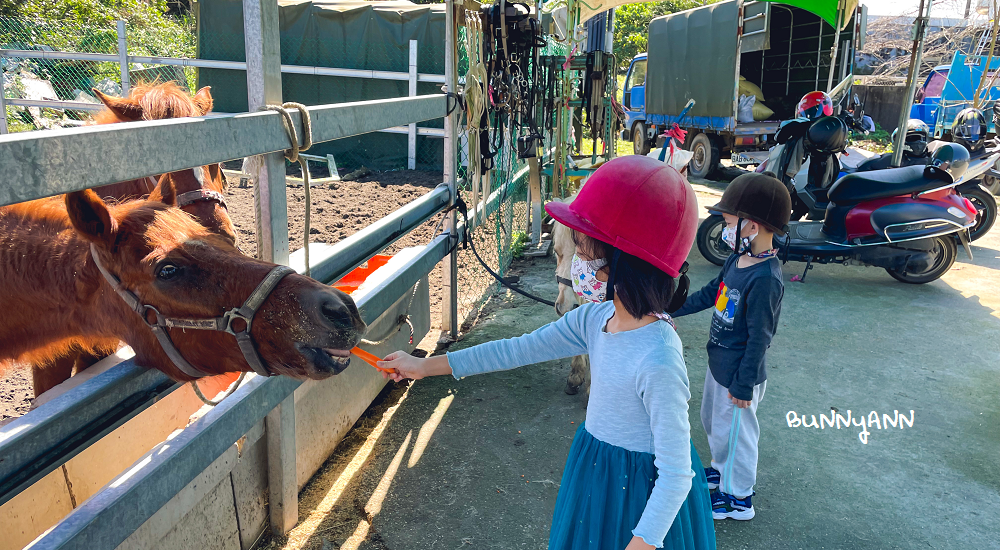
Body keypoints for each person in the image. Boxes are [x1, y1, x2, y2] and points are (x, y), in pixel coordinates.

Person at [379, 155, 717, 550]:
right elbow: (514, 351)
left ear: (623, 256)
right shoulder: (595, 318)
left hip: (644, 500)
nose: (577, 254)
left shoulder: (658, 358)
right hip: (596, 474)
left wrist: (641, 543)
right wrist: (422, 367)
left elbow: (676, 474)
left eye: (584, 243)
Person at [673, 172, 791, 521]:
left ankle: (738, 497)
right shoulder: (737, 260)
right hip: (719, 363)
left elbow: (760, 337)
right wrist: (669, 308)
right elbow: (713, 294)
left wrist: (743, 385)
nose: (723, 228)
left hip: (741, 375)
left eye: (727, 222)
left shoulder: (766, 277)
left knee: (738, 434)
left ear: (751, 226)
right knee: (714, 422)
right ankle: (721, 470)